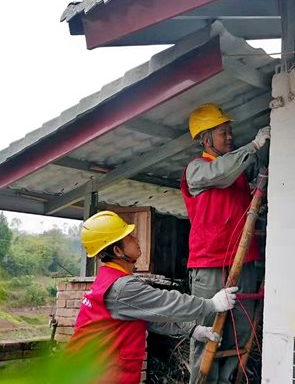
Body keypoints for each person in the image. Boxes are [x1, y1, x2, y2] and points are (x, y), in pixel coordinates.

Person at [65, 210, 238, 384]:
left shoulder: (109, 280)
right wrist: (211, 304)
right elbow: (168, 303)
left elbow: (149, 317)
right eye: (130, 237)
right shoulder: (122, 287)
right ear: (118, 251)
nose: (136, 239)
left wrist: (192, 330)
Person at [181, 103, 270, 383]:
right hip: (209, 264)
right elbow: (222, 172)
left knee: (239, 336)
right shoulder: (197, 170)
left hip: (244, 262)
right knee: (209, 335)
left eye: (230, 132)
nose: (230, 137)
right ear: (205, 138)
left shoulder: (238, 174)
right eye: (223, 132)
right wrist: (254, 146)